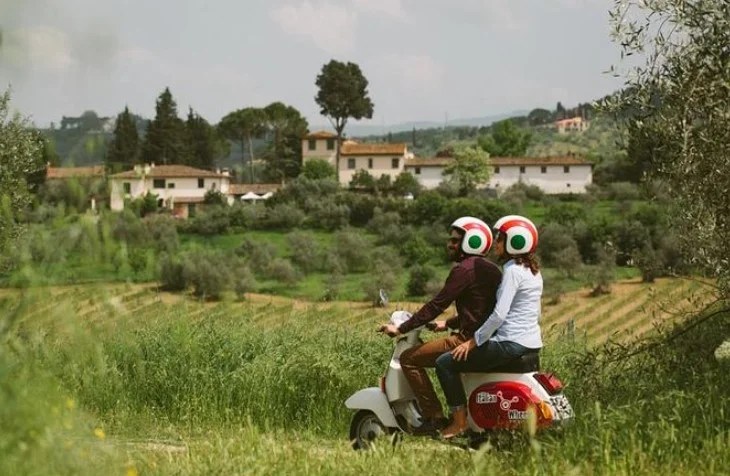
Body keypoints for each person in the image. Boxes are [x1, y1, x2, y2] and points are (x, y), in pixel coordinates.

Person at [379, 216, 502, 435]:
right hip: (488, 338)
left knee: (408, 358)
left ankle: (433, 417)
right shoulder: (492, 270)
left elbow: (437, 304)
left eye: (455, 240)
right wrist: (447, 323)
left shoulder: (463, 270)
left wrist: (401, 328)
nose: (449, 244)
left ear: (471, 242)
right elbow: (481, 309)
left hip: (467, 340)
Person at [435, 215, 543, 439]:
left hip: (510, 343)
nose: (495, 244)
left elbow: (499, 315)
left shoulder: (512, 271)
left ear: (515, 242)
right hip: (531, 343)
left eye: (500, 239)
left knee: (444, 363)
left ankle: (459, 423)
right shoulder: (533, 271)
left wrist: (473, 342)